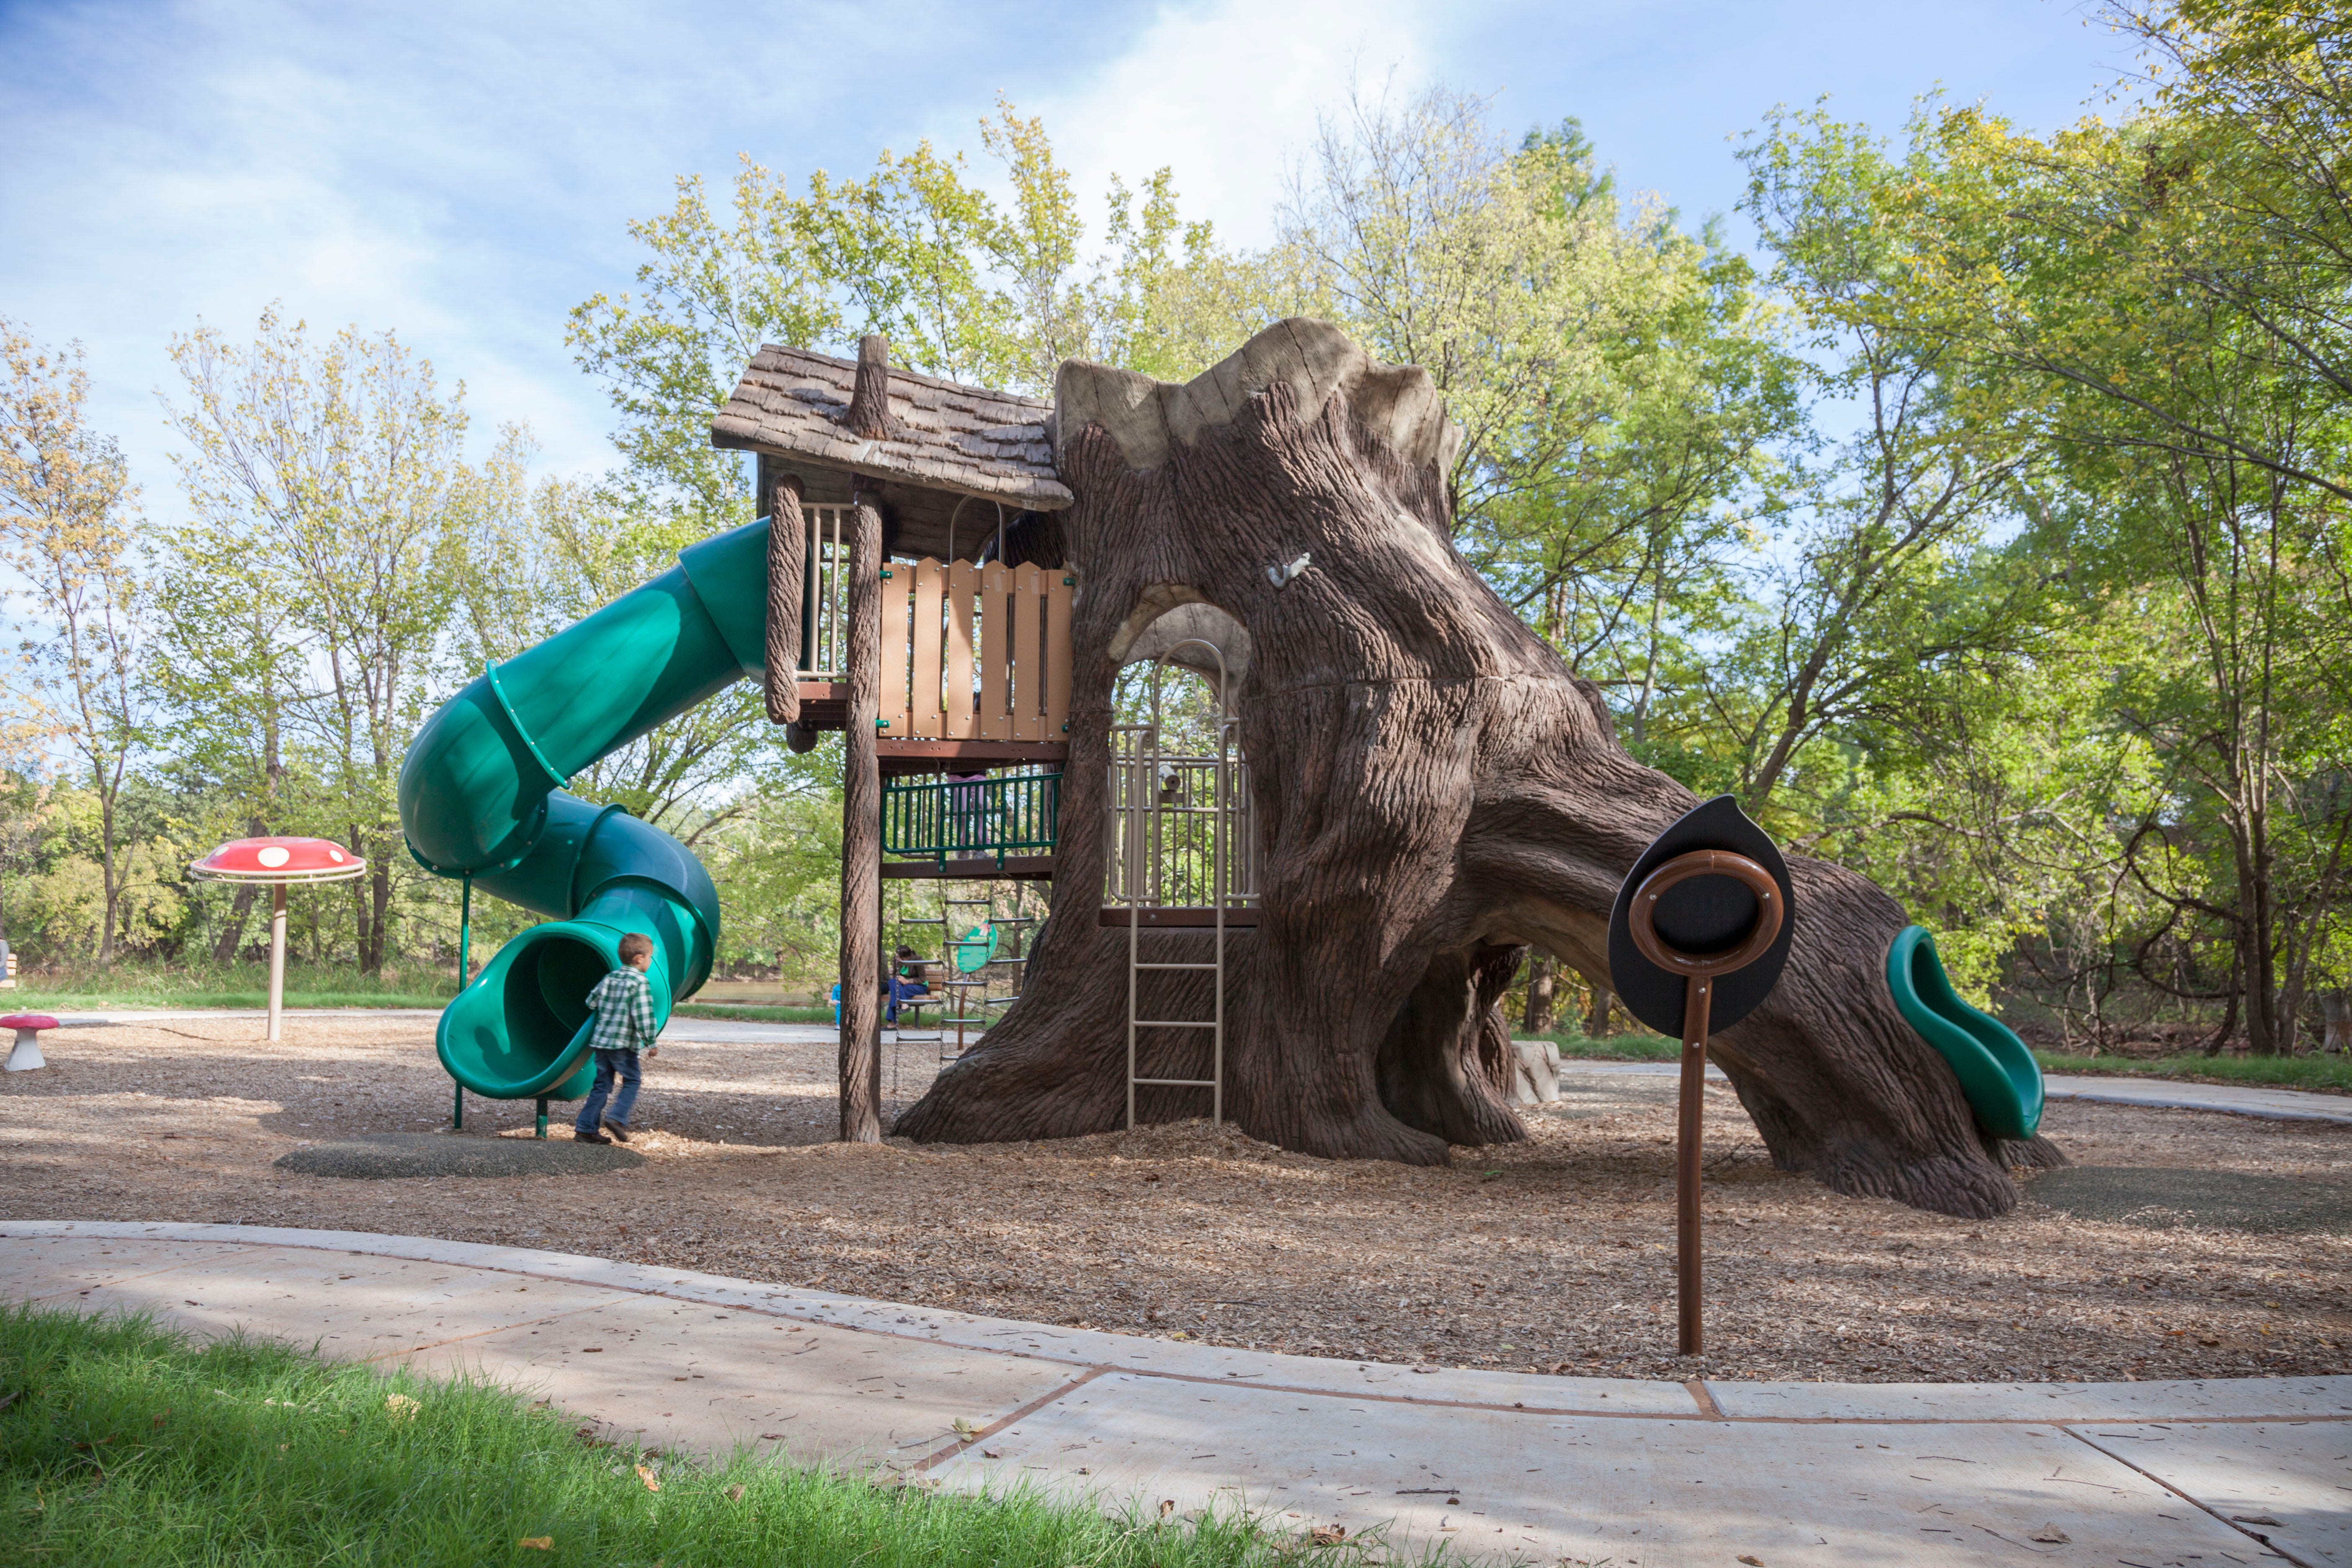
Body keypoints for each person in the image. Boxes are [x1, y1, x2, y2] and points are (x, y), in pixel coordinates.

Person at [575, 932, 658, 1144]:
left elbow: (590, 1002)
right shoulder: (640, 982)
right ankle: (617, 1118)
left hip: (601, 1043)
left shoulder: (610, 978)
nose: (650, 962)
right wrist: (650, 1042)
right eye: (650, 957)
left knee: (602, 1085)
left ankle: (586, 1128)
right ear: (639, 958)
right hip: (622, 1045)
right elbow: (643, 1015)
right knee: (633, 1080)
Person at [886, 944, 931, 1024]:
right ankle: (905, 1004)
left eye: (900, 957)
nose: (897, 958)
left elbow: (922, 979)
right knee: (892, 982)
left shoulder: (917, 960)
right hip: (903, 986)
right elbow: (894, 975)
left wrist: (908, 981)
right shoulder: (897, 960)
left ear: (908, 957)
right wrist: (899, 978)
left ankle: (892, 1023)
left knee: (897, 993)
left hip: (919, 986)